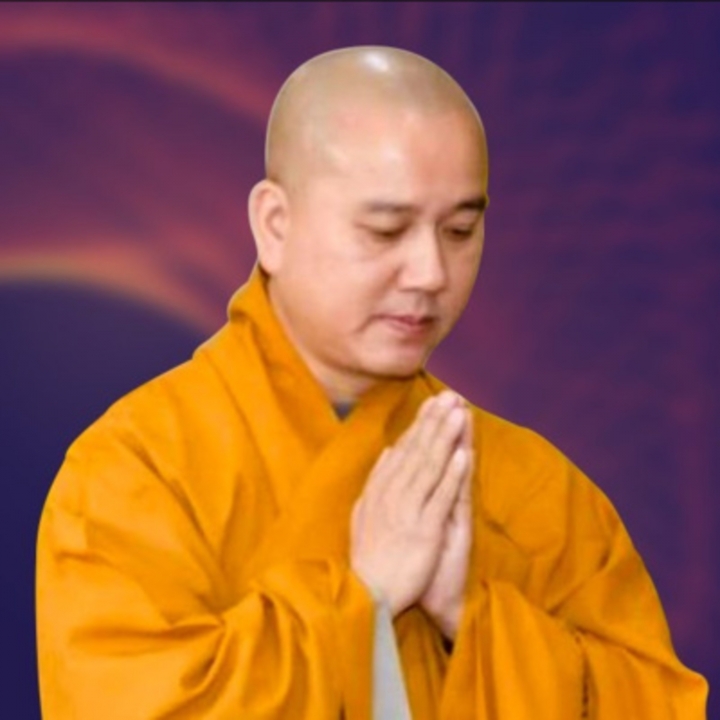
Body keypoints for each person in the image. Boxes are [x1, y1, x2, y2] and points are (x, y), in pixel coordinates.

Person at [36, 46, 708, 719]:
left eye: (460, 230)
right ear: (275, 225)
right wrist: (362, 593)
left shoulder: (534, 490)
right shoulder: (136, 473)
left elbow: (657, 703)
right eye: (386, 230)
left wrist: (471, 616)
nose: (431, 272)